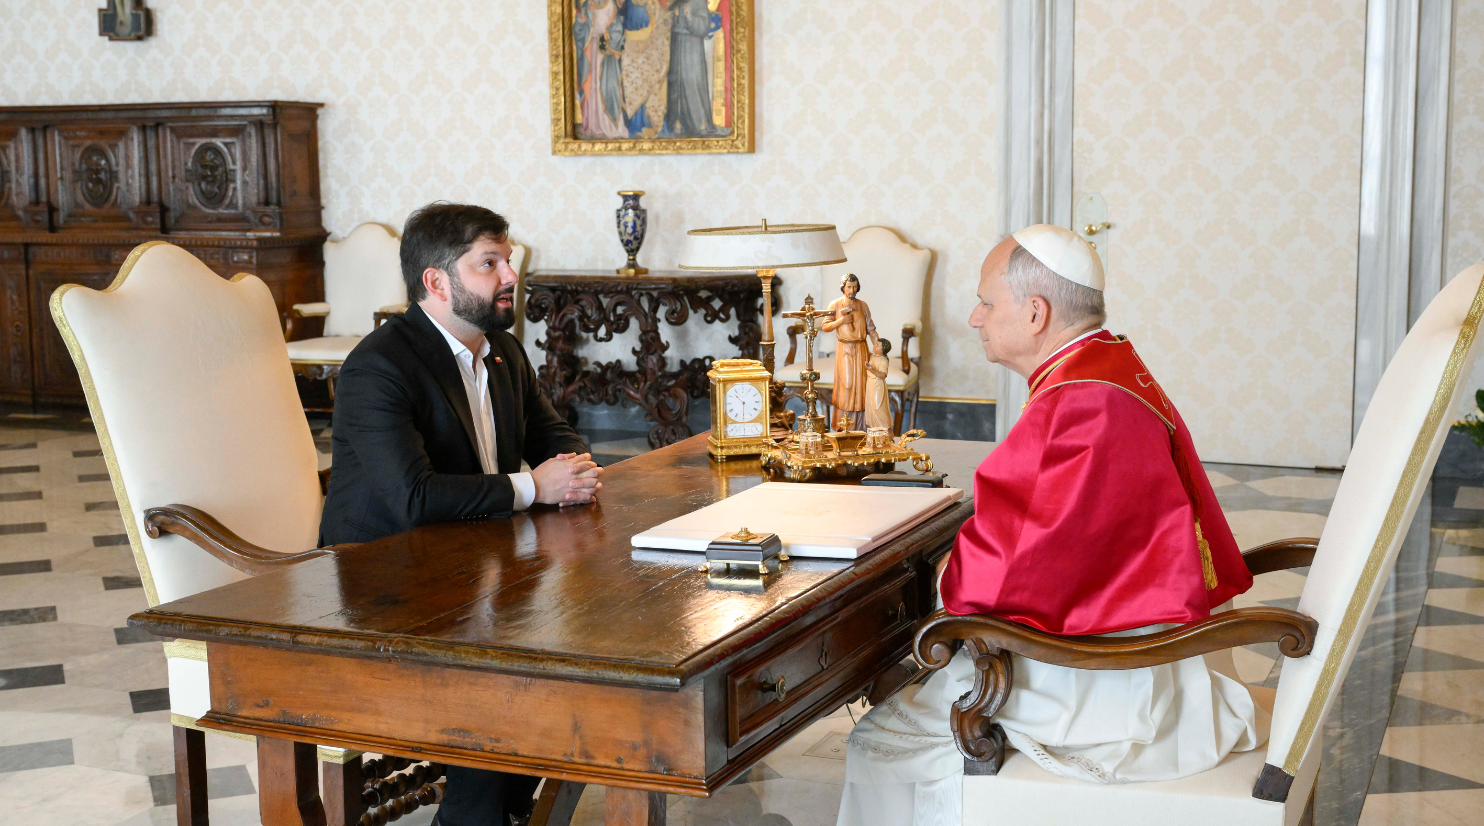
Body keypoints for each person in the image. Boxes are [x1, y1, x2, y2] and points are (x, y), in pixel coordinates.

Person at [835, 225, 1262, 826]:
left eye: (987, 301)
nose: (975, 317)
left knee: (878, 747)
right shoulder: (1108, 364)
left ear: (1036, 313)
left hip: (1108, 685)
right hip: (1134, 643)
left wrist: (927, 593)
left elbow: (1010, 577)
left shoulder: (1080, 403)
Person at [320, 203, 603, 826]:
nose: (509, 276)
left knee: (580, 656)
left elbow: (556, 442)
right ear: (437, 281)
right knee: (512, 679)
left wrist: (575, 471)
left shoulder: (502, 350)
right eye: (489, 264)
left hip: (477, 573)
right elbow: (413, 499)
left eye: (507, 259)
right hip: (385, 592)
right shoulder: (378, 367)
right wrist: (534, 487)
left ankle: (492, 812)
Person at [821, 273, 879, 431]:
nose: (852, 290)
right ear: (843, 288)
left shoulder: (863, 305)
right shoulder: (835, 305)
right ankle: (844, 426)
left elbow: (871, 328)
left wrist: (878, 345)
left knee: (862, 385)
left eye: (854, 287)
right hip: (844, 349)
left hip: (861, 348)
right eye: (849, 287)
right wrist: (841, 320)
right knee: (847, 385)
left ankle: (861, 427)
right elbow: (825, 326)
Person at [864, 338, 892, 433]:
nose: (874, 346)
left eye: (877, 345)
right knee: (871, 406)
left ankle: (885, 428)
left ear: (883, 349)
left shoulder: (883, 360)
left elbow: (883, 375)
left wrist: (871, 369)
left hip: (877, 384)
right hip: (870, 383)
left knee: (878, 406)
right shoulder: (872, 356)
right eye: (875, 344)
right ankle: (875, 430)